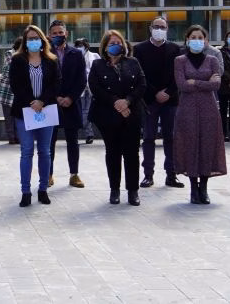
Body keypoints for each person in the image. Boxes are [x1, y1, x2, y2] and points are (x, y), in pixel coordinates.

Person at [88, 30, 145, 206]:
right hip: (107, 115)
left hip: (131, 114)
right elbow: (95, 88)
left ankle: (133, 191)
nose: (116, 46)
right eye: (112, 43)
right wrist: (116, 102)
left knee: (132, 153)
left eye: (119, 42)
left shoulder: (133, 62)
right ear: (105, 47)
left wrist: (127, 102)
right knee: (112, 153)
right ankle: (114, 190)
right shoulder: (97, 65)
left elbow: (142, 84)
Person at [7, 25, 62, 207]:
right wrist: (32, 102)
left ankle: (43, 189)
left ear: (42, 40)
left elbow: (56, 84)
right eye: (30, 38)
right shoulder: (17, 60)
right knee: (27, 151)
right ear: (25, 41)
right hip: (25, 112)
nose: (33, 41)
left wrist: (42, 101)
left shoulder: (51, 60)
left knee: (45, 151)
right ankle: (25, 192)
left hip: (46, 111)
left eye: (36, 38)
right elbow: (16, 85)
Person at [171, 26, 226, 205]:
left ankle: (204, 187)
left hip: (209, 108)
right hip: (187, 108)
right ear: (187, 40)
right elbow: (182, 85)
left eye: (200, 37)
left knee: (207, 145)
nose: (197, 40)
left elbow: (216, 85)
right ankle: (193, 187)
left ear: (205, 40)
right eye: (193, 37)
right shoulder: (180, 60)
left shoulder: (212, 60)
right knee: (190, 144)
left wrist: (194, 81)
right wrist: (205, 82)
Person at [133, 16, 183, 189]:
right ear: (150, 28)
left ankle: (172, 174)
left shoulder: (175, 49)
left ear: (167, 29)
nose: (159, 29)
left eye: (163, 27)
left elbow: (179, 74)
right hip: (149, 100)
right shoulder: (139, 49)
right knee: (148, 137)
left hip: (171, 100)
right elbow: (139, 75)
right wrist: (155, 93)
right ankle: (148, 175)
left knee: (171, 138)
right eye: (156, 26)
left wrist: (168, 92)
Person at [48, 20, 87, 189]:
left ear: (66, 33)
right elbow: (45, 79)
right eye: (54, 33)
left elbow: (82, 79)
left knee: (73, 141)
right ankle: (48, 174)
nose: (58, 35)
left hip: (72, 103)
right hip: (51, 103)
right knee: (49, 142)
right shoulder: (45, 53)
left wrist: (70, 97)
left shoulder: (76, 54)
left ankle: (74, 174)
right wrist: (56, 97)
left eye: (60, 32)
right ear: (49, 35)